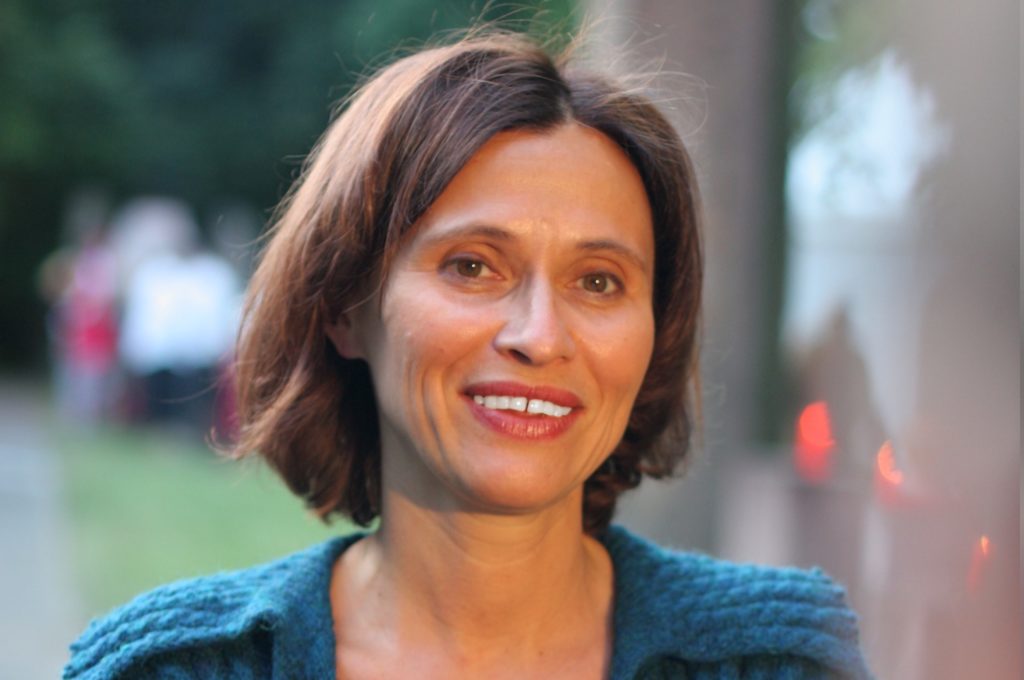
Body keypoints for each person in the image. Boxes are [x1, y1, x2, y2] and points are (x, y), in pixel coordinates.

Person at [64, 32, 872, 679]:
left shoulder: (785, 662)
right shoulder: (166, 670)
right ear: (345, 306)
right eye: (473, 266)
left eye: (598, 281)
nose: (540, 336)